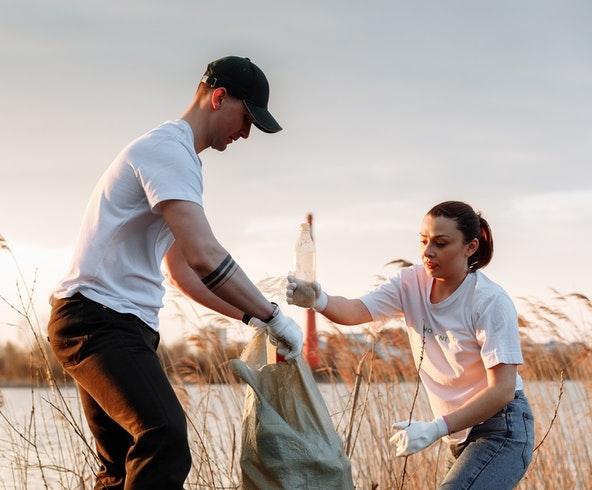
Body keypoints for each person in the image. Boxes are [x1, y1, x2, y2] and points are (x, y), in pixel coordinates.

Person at [47, 56, 303, 489]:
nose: (246, 134)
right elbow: (205, 254)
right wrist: (273, 314)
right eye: (246, 118)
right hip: (98, 321)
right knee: (163, 437)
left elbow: (185, 271)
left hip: (113, 324)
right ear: (219, 97)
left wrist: (253, 317)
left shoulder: (181, 162)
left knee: (123, 465)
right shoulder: (167, 150)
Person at [286, 201, 534, 489]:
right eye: (424, 241)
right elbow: (356, 310)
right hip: (457, 432)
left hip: (501, 428)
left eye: (441, 243)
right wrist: (318, 300)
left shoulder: (489, 300)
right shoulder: (411, 282)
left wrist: (435, 428)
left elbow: (502, 390)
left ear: (471, 246)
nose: (428, 251)